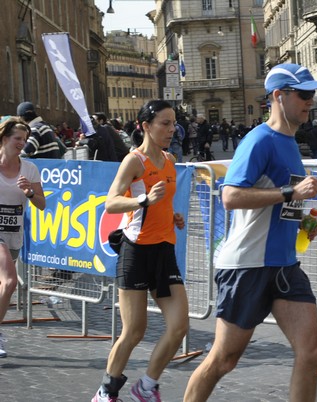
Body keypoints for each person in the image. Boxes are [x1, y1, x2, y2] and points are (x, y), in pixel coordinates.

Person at [183, 63, 317, 402]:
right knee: (223, 360)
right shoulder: (259, 140)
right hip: (247, 266)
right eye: (304, 94)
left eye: (313, 94)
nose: (311, 101)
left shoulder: (291, 141)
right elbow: (230, 196)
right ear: (279, 96)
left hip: (284, 265)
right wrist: (292, 193)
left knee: (312, 352)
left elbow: (279, 200)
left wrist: (302, 222)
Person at [91, 100, 189, 402]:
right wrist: (143, 201)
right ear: (145, 126)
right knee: (134, 331)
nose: (172, 129)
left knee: (179, 327)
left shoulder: (170, 159)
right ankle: (106, 391)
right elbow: (111, 202)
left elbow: (163, 200)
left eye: (174, 124)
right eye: (165, 123)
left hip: (164, 251)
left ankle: (146, 386)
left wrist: (170, 215)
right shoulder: (134, 161)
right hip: (135, 251)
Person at [0, 117, 46, 358]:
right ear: (5, 138)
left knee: (2, 288)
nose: (22, 143)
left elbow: (42, 204)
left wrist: (29, 192)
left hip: (14, 233)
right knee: (10, 282)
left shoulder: (30, 169)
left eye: (25, 139)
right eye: (17, 138)